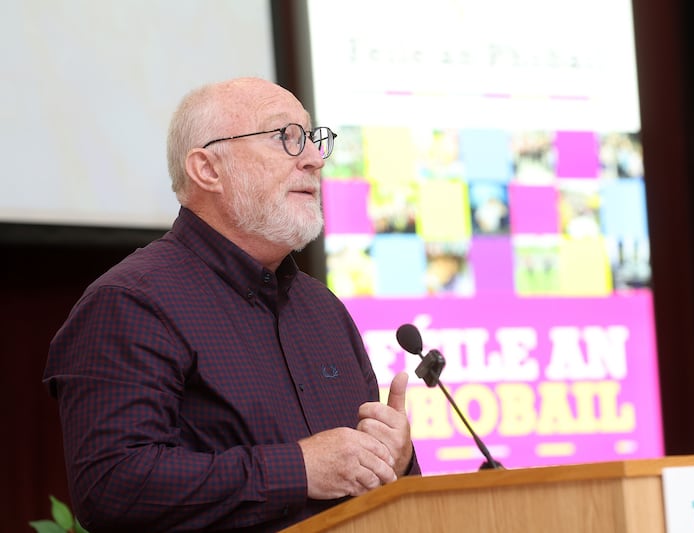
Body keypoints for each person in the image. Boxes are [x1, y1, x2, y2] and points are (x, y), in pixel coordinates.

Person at [43, 77, 420, 532]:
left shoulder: (322, 308)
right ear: (207, 169)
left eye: (314, 140)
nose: (315, 160)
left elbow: (354, 478)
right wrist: (299, 469)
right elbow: (112, 485)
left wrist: (391, 461)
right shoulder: (130, 303)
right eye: (286, 138)